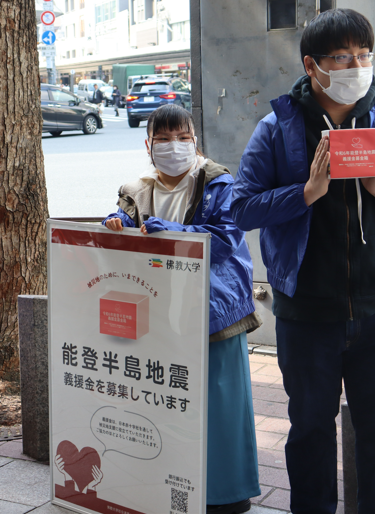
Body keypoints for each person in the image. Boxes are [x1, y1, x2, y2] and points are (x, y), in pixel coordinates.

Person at [232, 9, 375, 514]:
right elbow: (241, 207)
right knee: (309, 430)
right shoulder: (279, 126)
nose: (357, 65)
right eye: (343, 56)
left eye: (364, 54)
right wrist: (304, 194)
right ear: (313, 65)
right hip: (307, 314)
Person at [104, 104, 262, 514]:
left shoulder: (217, 182)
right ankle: (171, 484)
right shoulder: (137, 188)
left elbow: (228, 239)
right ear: (148, 144)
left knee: (221, 401)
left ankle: (227, 494)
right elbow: (124, 226)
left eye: (183, 137)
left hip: (215, 309)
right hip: (159, 313)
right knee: (167, 399)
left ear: (196, 141)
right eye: (163, 138)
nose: (174, 146)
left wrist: (174, 231)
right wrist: (115, 223)